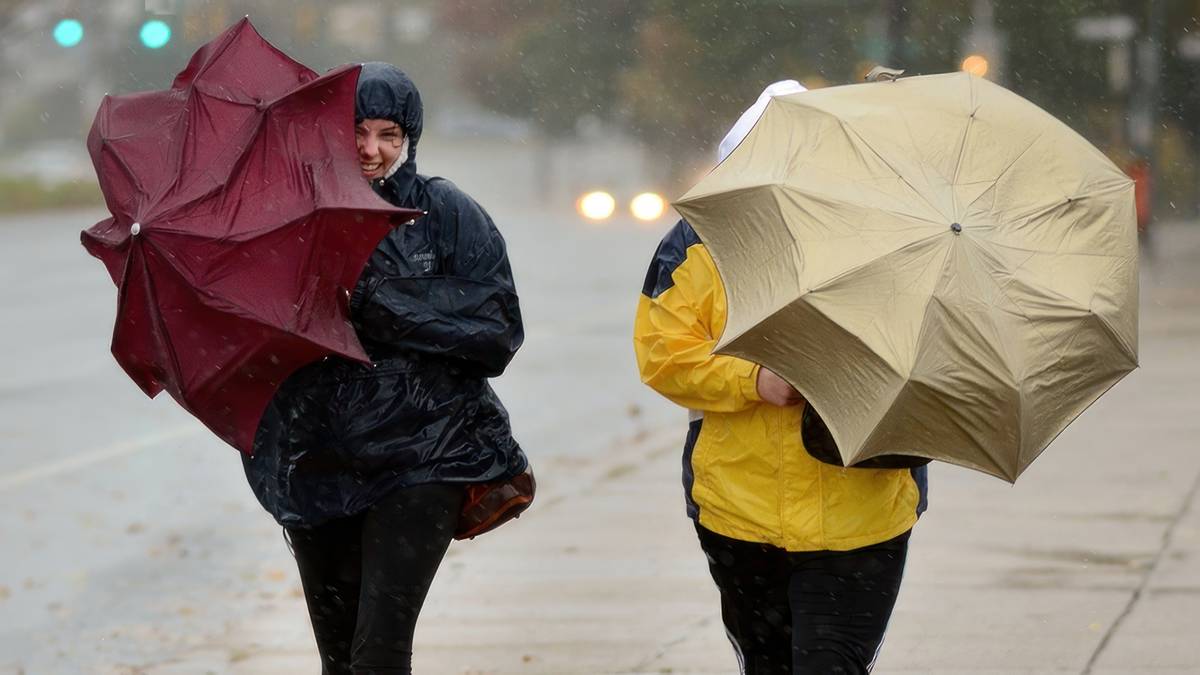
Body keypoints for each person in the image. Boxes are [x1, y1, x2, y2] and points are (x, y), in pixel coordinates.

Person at [633, 81, 928, 674]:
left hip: (862, 513)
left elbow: (935, 352)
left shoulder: (891, 241)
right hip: (738, 514)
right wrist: (755, 380)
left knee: (828, 665)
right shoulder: (695, 247)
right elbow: (661, 356)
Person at [241, 62, 527, 674]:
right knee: (339, 654)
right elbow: (255, 347)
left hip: (425, 457)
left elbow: (496, 335)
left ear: (410, 138)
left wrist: (380, 305)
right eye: (357, 132)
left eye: (389, 135)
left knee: (380, 647)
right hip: (316, 461)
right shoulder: (289, 217)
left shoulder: (446, 214)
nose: (371, 150)